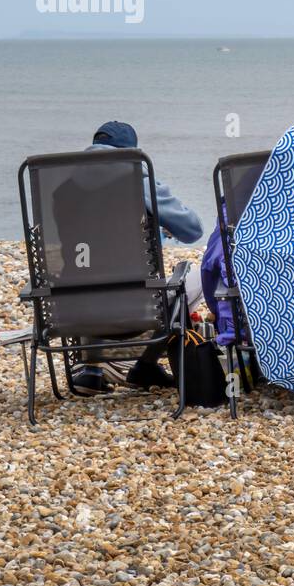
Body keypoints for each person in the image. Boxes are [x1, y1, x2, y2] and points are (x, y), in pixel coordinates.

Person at [74, 120, 205, 395]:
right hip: (139, 310)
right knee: (188, 281)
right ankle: (145, 365)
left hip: (74, 309)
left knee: (90, 274)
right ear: (131, 152)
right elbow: (193, 230)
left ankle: (91, 371)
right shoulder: (137, 179)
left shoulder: (63, 185)